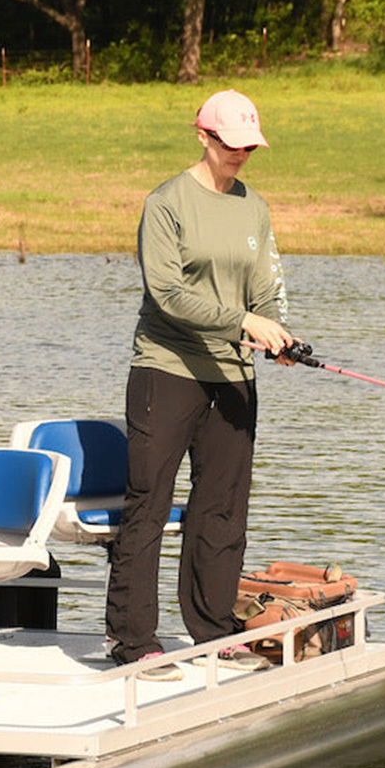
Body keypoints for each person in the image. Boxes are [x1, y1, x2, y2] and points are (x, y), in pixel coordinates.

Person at [105, 88, 293, 679]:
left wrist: (274, 333)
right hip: (167, 371)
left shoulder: (254, 208)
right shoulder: (166, 205)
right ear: (204, 137)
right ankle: (135, 642)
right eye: (230, 145)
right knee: (149, 506)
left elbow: (264, 286)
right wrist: (242, 321)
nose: (240, 155)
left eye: (247, 146)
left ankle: (213, 631)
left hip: (233, 378)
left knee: (222, 510)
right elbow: (168, 294)